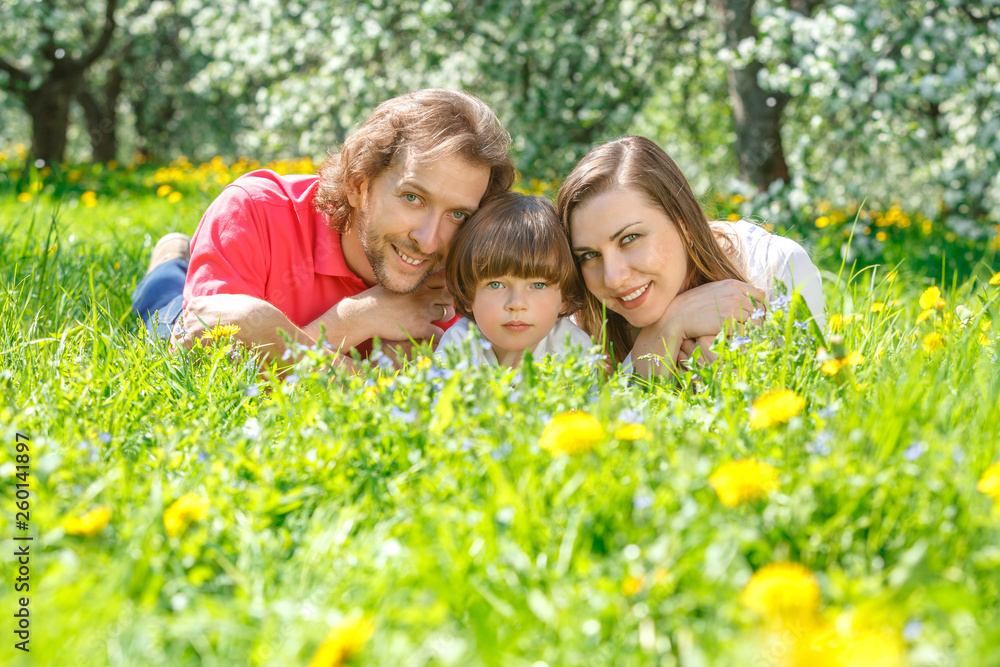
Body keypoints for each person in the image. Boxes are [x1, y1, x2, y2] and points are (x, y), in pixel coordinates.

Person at [131, 89, 515, 364]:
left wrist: (270, 338)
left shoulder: (465, 266)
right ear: (358, 185)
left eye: (458, 214)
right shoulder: (255, 210)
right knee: (163, 308)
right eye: (413, 197)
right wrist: (359, 317)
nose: (429, 242)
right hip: (180, 314)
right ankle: (168, 260)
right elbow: (200, 365)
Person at [556, 136, 825, 378]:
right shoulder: (574, 320)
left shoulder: (773, 268)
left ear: (683, 222)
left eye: (629, 239)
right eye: (589, 255)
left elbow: (819, 402)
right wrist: (660, 337)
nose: (613, 278)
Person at [436, 192, 591, 367]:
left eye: (538, 285)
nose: (516, 304)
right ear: (468, 295)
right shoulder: (460, 344)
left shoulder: (572, 348)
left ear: (564, 297)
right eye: (496, 284)